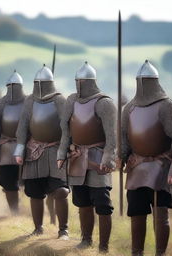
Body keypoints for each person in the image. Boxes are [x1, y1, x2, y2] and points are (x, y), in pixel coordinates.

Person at [57, 61, 116, 252]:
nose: (78, 84)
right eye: (77, 81)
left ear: (88, 81)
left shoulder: (104, 103)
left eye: (81, 81)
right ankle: (86, 240)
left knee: (102, 203)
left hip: (98, 158)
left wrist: (108, 158)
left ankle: (104, 246)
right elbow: (66, 130)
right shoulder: (71, 101)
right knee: (82, 201)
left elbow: (111, 136)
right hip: (77, 156)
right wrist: (61, 153)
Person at [121, 60, 172, 256]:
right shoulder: (129, 108)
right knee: (137, 212)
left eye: (147, 80)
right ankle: (137, 253)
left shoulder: (167, 106)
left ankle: (160, 254)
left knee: (160, 213)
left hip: (162, 166)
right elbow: (125, 138)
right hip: (136, 166)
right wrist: (121, 158)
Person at [14, 65, 69, 239]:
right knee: (34, 192)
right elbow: (22, 126)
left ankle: (63, 230)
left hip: (55, 150)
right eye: (37, 83)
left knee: (61, 191)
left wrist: (65, 148)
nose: (40, 86)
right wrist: (20, 149)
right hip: (33, 151)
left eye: (42, 83)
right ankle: (38, 228)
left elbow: (67, 127)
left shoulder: (60, 100)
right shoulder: (30, 101)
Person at [0, 70, 25, 214]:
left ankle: (27, 209)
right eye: (11, 86)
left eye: (15, 86)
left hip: (26, 147)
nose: (13, 89)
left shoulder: (29, 102)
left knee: (29, 182)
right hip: (5, 149)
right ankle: (14, 211)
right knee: (8, 183)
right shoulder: (0, 104)